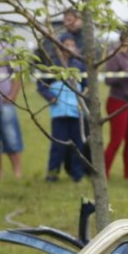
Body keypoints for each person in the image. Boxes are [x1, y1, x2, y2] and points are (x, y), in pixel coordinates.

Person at [43, 33, 86, 182]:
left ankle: (77, 174)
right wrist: (51, 97)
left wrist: (84, 97)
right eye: (65, 45)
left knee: (77, 145)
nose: (69, 48)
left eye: (72, 45)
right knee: (58, 144)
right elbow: (41, 85)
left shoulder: (79, 65)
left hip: (76, 112)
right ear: (59, 47)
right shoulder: (52, 65)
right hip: (59, 112)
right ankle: (52, 174)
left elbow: (86, 86)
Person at [102, 27, 128, 180]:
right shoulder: (115, 56)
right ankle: (103, 173)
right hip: (117, 102)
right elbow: (108, 79)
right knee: (116, 140)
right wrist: (127, 73)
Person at [0, 38, 24, 178]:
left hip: (5, 102)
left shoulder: (5, 47)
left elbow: (17, 73)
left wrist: (13, 95)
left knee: (11, 138)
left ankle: (17, 173)